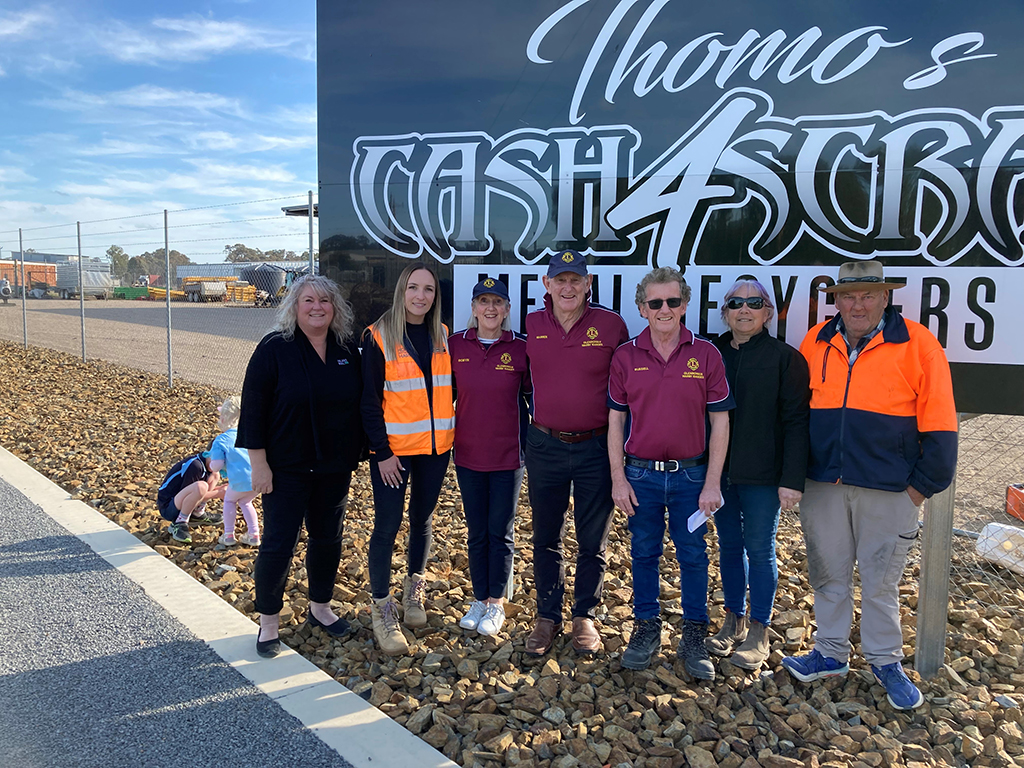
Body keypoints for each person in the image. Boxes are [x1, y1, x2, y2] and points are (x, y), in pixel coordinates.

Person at [781, 261, 957, 710]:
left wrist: (920, 487)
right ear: (836, 300)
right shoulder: (815, 341)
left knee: (881, 581)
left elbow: (940, 422)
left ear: (885, 298)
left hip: (890, 489)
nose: (857, 305)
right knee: (828, 574)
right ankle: (830, 653)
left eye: (867, 295)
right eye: (848, 296)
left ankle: (885, 660)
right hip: (823, 483)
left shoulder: (919, 344)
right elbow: (799, 413)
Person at [608, 267, 733, 677]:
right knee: (643, 553)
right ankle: (645, 628)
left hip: (692, 477)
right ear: (642, 308)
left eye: (673, 301)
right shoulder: (626, 355)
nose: (665, 309)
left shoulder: (706, 354)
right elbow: (615, 423)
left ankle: (694, 635)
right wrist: (618, 479)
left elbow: (720, 422)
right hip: (640, 475)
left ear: (685, 304)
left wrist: (713, 481)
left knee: (694, 556)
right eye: (655, 303)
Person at [237, 275, 364, 659]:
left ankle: (321, 608)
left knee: (328, 538)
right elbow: (254, 410)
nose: (317, 307)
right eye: (308, 300)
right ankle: (269, 621)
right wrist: (259, 465)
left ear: (335, 308)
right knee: (279, 542)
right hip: (286, 467)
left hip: (334, 466)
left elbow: (361, 405)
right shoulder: (274, 348)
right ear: (294, 306)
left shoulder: (347, 349)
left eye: (325, 300)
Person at [524, 249, 630, 656]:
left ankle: (584, 613)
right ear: (547, 285)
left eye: (576, 279)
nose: (568, 287)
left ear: (588, 284)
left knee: (592, 539)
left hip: (596, 447)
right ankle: (547, 616)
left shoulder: (610, 324)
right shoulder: (532, 325)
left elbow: (628, 389)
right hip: (545, 443)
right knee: (546, 535)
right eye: (560, 280)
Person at [704, 280, 809, 670]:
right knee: (729, 547)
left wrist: (792, 479)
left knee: (760, 550)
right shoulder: (709, 354)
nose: (744, 309)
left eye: (754, 303)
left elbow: (798, 423)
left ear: (768, 313)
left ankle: (760, 631)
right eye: (735, 303)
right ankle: (733, 620)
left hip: (765, 476)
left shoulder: (786, 359)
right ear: (724, 312)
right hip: (719, 473)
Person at [362, 261, 454, 656]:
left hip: (435, 450)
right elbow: (367, 402)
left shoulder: (443, 336)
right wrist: (381, 453)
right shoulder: (378, 336)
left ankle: (413, 591)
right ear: (402, 291)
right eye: (414, 288)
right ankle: (381, 607)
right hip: (394, 454)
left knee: (422, 519)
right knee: (387, 525)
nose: (421, 296)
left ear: (436, 296)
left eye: (429, 290)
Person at [449, 278, 530, 637]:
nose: (491, 309)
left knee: (501, 531)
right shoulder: (455, 346)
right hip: (467, 454)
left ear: (508, 309)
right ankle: (478, 598)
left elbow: (535, 398)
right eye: (484, 301)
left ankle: (496, 602)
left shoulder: (521, 349)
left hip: (508, 457)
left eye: (498, 302)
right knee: (476, 531)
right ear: (474, 308)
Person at [208, 395, 261, 547]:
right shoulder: (250, 432)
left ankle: (229, 535)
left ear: (223, 419)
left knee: (229, 501)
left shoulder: (221, 439)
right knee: (246, 502)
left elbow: (216, 466)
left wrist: (213, 466)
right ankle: (254, 534)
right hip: (256, 479)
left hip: (238, 481)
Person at [157, 451, 225, 544]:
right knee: (201, 486)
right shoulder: (195, 465)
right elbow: (194, 493)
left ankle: (197, 513)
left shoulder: (208, 466)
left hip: (181, 500)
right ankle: (179, 522)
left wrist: (221, 489)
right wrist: (218, 493)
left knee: (215, 475)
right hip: (168, 506)